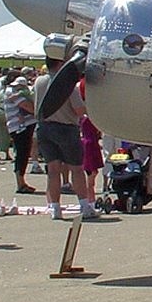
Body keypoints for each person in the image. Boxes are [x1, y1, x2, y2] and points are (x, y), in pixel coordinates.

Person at [33, 37, 98, 220]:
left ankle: (55, 207)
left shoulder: (39, 82)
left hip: (44, 127)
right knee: (76, 168)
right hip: (66, 127)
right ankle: (84, 206)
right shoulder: (67, 84)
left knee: (53, 169)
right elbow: (78, 109)